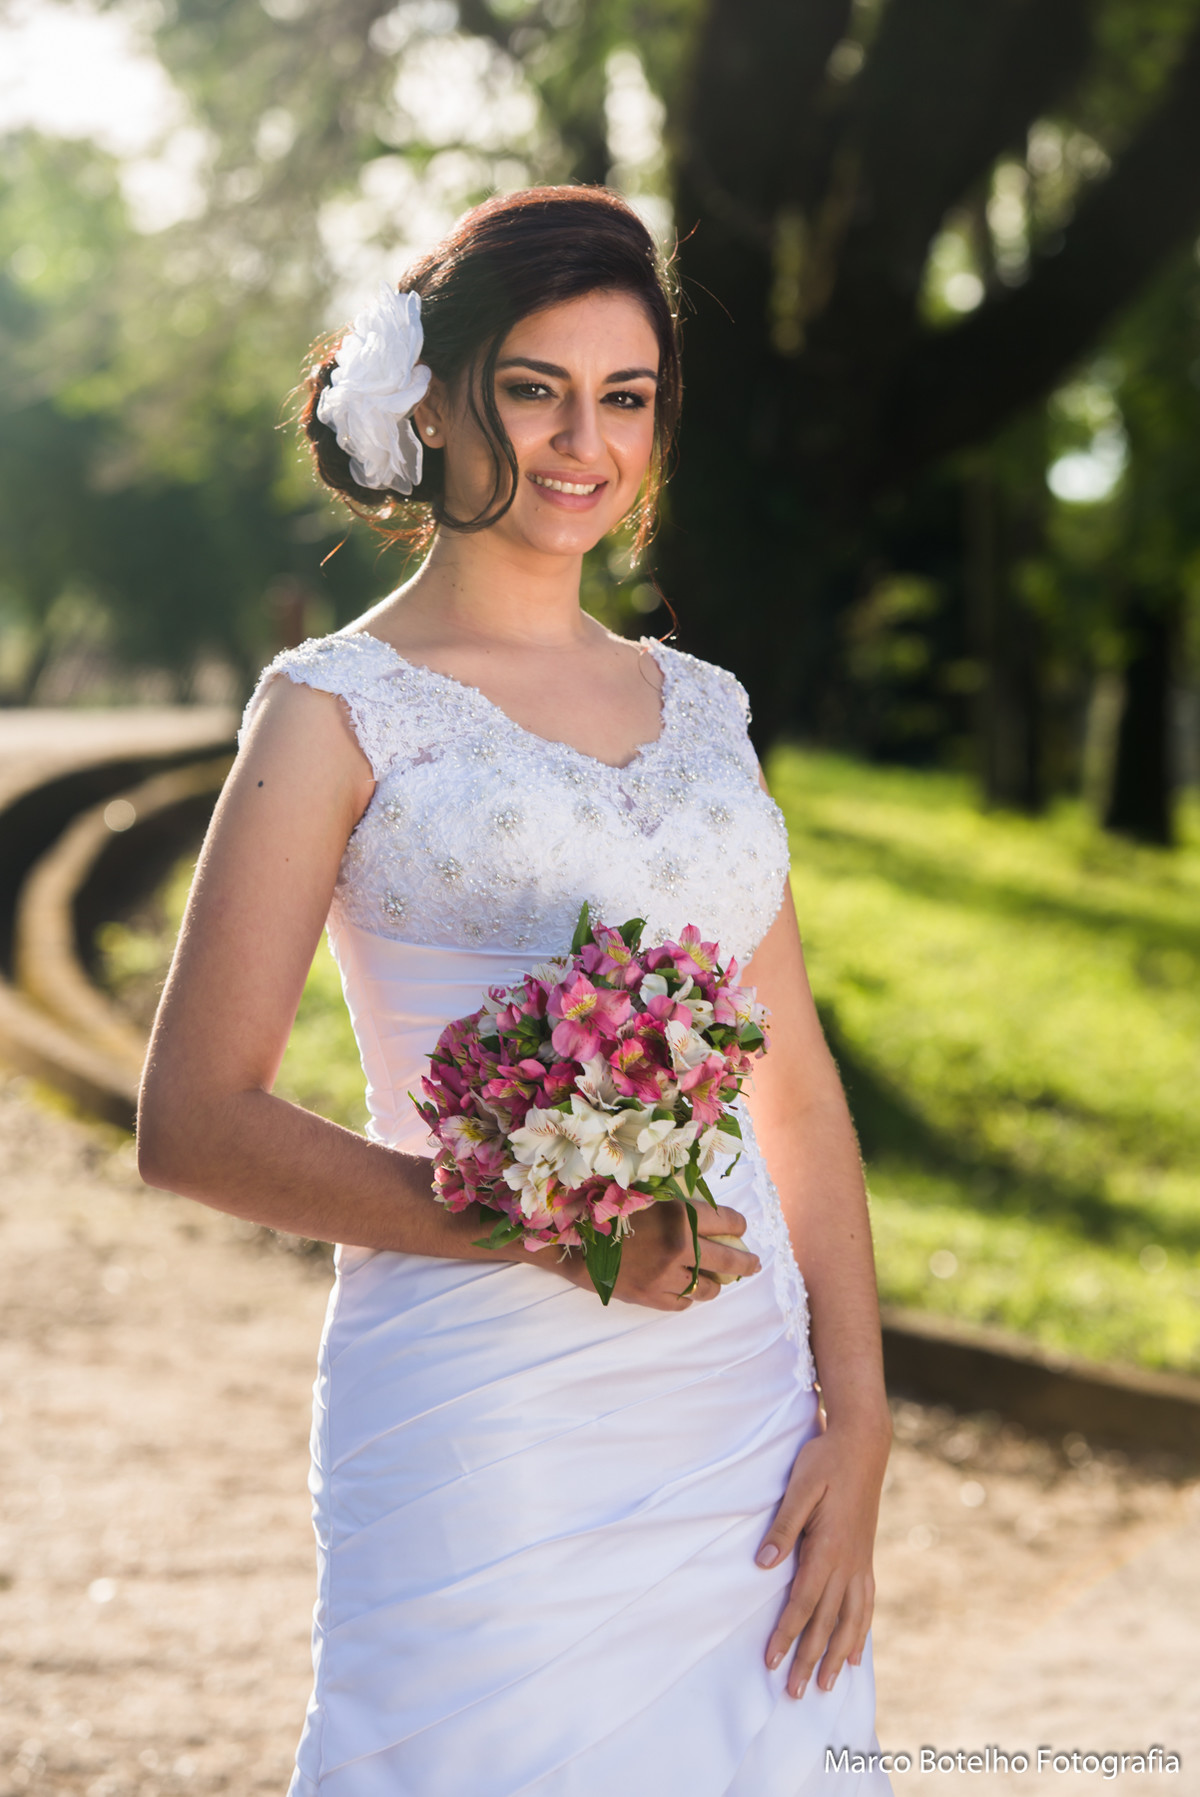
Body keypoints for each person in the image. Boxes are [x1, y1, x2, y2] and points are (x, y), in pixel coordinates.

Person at [138, 185, 894, 1796]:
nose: (582, 442)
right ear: (433, 398)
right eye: (536, 386)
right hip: (486, 1419)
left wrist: (864, 1411)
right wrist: (550, 1222)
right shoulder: (333, 712)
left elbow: (798, 1090)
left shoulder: (704, 709)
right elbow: (192, 1119)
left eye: (625, 396)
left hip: (739, 1405)